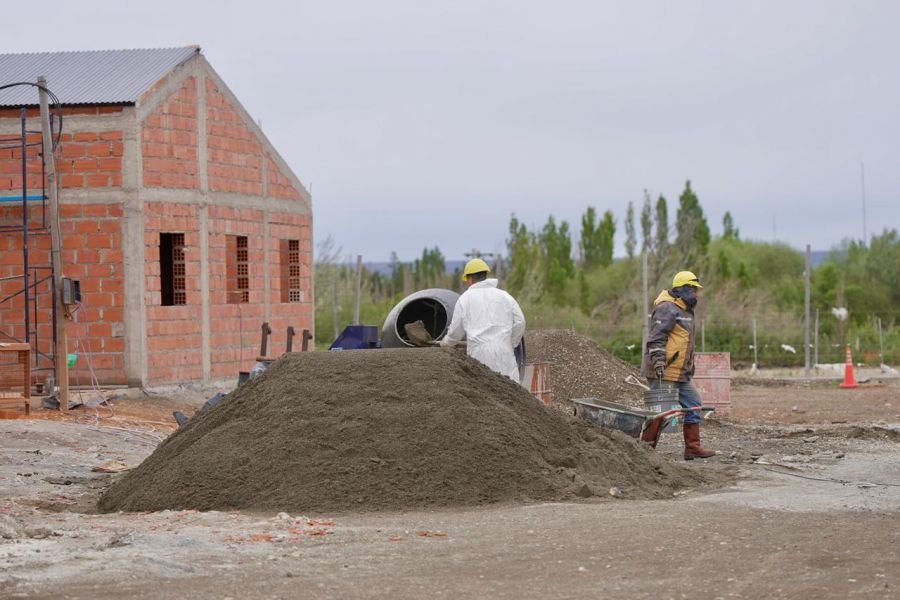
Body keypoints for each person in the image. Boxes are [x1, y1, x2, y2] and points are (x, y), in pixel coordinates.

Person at [641, 270, 716, 460]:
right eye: (693, 290)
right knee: (660, 412)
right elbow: (656, 339)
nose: (697, 294)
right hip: (663, 370)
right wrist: (658, 362)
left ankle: (692, 447)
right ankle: (644, 452)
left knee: (693, 405)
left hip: (680, 372)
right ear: (682, 289)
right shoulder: (667, 308)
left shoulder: (685, 311)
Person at [440, 258, 526, 382]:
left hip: (478, 355)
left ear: (469, 279)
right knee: (511, 394)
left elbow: (455, 332)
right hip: (504, 352)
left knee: (483, 395)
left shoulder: (465, 299)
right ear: (485, 275)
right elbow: (520, 321)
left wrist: (446, 343)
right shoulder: (505, 296)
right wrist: (511, 343)